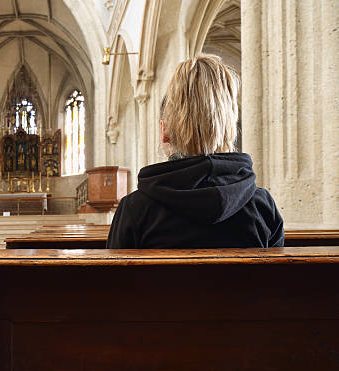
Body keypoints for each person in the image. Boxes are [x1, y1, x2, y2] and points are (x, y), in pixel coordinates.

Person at [107, 54, 284, 249]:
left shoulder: (134, 210)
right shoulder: (262, 206)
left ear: (164, 131)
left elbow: (114, 279)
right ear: (229, 130)